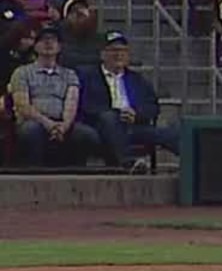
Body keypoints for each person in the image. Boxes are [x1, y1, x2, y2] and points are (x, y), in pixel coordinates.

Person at [74, 30, 180, 170]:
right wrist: (117, 115)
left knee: (172, 131)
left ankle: (196, 168)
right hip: (101, 128)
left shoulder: (137, 79)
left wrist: (136, 114)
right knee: (109, 118)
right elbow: (85, 105)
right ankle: (128, 163)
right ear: (102, 54)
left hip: (133, 126)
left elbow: (152, 106)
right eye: (113, 50)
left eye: (123, 50)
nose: (119, 54)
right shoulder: (87, 77)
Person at [7, 24, 100, 167]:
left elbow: (71, 104)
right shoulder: (22, 72)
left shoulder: (70, 74)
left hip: (62, 123)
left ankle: (75, 175)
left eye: (53, 40)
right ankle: (35, 173)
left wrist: (63, 126)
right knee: (31, 131)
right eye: (44, 40)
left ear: (59, 47)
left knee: (87, 135)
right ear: (36, 46)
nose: (49, 43)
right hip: (33, 121)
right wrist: (48, 124)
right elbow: (22, 106)